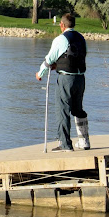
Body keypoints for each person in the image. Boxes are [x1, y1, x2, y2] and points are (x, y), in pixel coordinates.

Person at [36, 13, 90, 152]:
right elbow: (78, 56)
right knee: (78, 109)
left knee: (62, 110)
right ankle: (84, 141)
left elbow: (49, 59)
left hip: (66, 79)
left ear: (62, 24)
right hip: (80, 79)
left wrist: (40, 73)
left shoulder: (61, 39)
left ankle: (65, 144)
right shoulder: (81, 38)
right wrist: (59, 65)